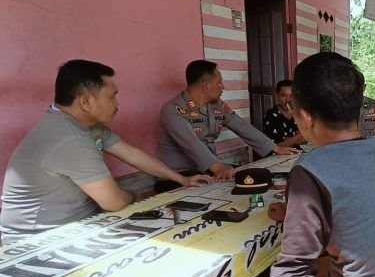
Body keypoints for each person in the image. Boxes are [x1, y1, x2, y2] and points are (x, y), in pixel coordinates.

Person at [232, 52, 375, 277]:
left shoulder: (311, 168)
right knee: (323, 265)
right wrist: (294, 213)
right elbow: (359, 210)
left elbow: (293, 274)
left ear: (305, 117)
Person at [0, 60, 211, 245]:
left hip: (81, 222)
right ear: (85, 101)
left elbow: (132, 154)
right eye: (112, 97)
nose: (117, 103)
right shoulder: (68, 137)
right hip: (39, 240)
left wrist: (181, 179)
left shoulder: (86, 126)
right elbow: (114, 202)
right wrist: (137, 196)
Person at [156, 60, 298, 190]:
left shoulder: (216, 105)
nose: (222, 87)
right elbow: (192, 144)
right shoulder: (173, 110)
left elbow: (241, 125)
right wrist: (219, 167)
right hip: (179, 176)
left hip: (208, 170)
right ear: (206, 85)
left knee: (256, 182)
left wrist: (274, 147)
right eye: (219, 82)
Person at [263, 79, 305, 149]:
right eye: (284, 96)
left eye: (291, 96)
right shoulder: (271, 115)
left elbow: (306, 139)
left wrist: (292, 139)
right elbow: (277, 146)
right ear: (277, 96)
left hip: (297, 151)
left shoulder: (297, 112)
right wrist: (299, 137)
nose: (288, 100)